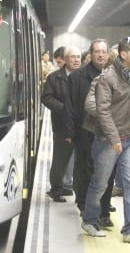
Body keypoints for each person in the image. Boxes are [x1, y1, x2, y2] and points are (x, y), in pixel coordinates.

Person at [80, 38, 130, 245]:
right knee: (100, 183)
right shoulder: (106, 78)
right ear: (124, 55)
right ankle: (90, 220)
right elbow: (103, 111)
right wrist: (114, 137)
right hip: (108, 139)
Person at [65, 39, 114, 225]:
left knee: (106, 171)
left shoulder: (114, 76)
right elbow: (70, 106)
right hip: (84, 131)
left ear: (108, 54)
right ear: (91, 54)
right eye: (97, 52)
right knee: (85, 169)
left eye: (103, 51)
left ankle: (104, 211)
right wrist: (69, 131)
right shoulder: (77, 77)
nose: (100, 55)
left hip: (108, 132)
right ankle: (85, 204)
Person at [42, 46, 81, 202]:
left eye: (78, 57)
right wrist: (64, 109)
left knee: (82, 161)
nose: (77, 60)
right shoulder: (54, 77)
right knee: (60, 159)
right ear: (65, 59)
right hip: (62, 125)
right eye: (73, 57)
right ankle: (56, 189)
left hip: (82, 126)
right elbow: (46, 98)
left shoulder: (85, 76)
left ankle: (79, 192)